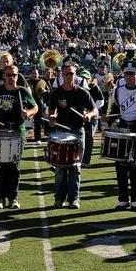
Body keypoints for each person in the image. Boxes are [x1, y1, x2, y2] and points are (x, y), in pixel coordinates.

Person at [103, 60, 136, 212]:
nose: (129, 77)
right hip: (123, 129)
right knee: (120, 165)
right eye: (126, 74)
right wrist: (108, 118)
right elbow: (115, 110)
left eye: (132, 74)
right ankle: (122, 199)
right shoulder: (117, 91)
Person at [0, 63, 37, 208]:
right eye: (9, 75)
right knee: (1, 166)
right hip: (1, 132)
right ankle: (0, 198)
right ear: (3, 76)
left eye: (14, 75)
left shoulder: (23, 91)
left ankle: (14, 198)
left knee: (14, 166)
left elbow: (35, 106)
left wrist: (28, 113)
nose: (12, 78)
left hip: (18, 132)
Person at [46, 61, 97, 209]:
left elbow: (95, 110)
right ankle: (59, 198)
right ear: (62, 74)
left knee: (75, 167)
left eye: (72, 73)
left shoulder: (82, 92)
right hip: (61, 132)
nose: (69, 76)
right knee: (60, 168)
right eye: (67, 73)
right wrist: (52, 119)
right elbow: (51, 112)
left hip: (77, 131)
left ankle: (74, 199)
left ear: (75, 75)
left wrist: (89, 115)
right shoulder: (56, 93)